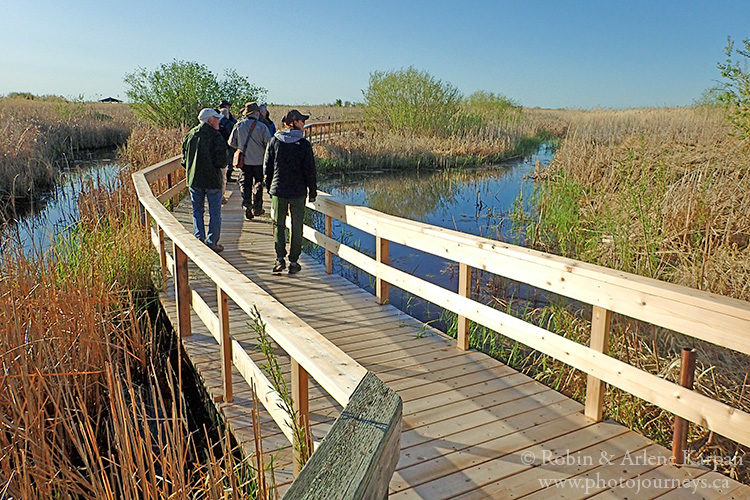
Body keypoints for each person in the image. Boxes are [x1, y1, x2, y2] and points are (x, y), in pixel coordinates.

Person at [264, 109, 317, 274]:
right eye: (302, 121)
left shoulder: (275, 141)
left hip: (279, 190)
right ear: (294, 122)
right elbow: (310, 171)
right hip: (298, 192)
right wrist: (312, 191)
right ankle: (293, 261)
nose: (304, 124)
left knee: (278, 225)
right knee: (297, 226)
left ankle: (280, 259)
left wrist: (269, 187)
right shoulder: (304, 144)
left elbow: (267, 167)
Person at [181, 108, 227, 252]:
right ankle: (212, 242)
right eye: (217, 118)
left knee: (197, 210)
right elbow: (222, 161)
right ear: (210, 120)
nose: (219, 120)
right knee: (215, 212)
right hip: (212, 180)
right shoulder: (216, 136)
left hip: (194, 180)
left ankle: (199, 238)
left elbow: (184, 160)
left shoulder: (189, 136)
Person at [228, 102, 271, 220]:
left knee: (245, 184)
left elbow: (231, 143)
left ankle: (247, 205)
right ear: (256, 113)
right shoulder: (262, 127)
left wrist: (240, 147)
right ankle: (257, 208)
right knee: (258, 184)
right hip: (259, 161)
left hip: (244, 162)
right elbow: (269, 144)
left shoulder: (239, 125)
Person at [218, 100, 237, 184]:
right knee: (229, 161)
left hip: (218, 144)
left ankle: (222, 177)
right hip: (228, 144)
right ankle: (227, 177)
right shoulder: (230, 122)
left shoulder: (216, 121)